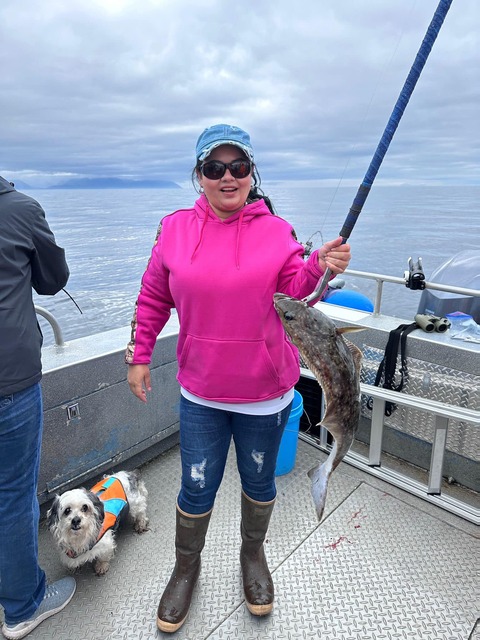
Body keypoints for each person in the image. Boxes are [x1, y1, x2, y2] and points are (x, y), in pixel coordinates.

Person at [126, 124, 351, 633]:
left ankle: (253, 559)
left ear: (251, 174)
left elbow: (300, 291)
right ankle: (187, 566)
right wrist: (139, 356)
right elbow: (153, 297)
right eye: (214, 168)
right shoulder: (174, 229)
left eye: (238, 167)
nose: (227, 177)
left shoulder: (276, 230)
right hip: (201, 392)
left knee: (259, 481)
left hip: (264, 395)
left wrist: (323, 265)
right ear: (199, 176)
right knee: (196, 486)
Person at [0, 177, 76, 640]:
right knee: (12, 496)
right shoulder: (21, 210)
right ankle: (23, 606)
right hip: (10, 380)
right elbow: (53, 279)